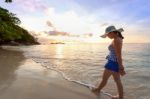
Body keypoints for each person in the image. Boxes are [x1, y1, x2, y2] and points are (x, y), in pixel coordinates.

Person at [92, 26, 126, 99]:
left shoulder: (116, 40)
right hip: (114, 62)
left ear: (112, 32)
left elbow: (119, 54)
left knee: (105, 79)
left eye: (108, 34)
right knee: (117, 81)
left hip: (112, 63)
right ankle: (120, 97)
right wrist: (119, 65)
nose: (107, 36)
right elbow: (115, 52)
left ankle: (98, 90)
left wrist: (121, 66)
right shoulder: (118, 38)